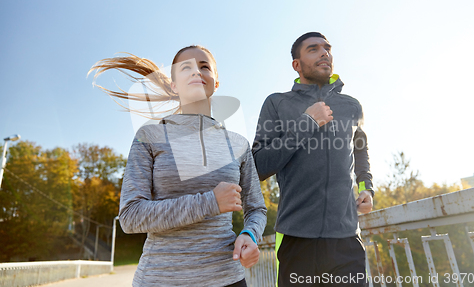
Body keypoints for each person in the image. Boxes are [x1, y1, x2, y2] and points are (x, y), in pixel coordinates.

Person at [88, 45, 267, 287]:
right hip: (160, 279)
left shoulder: (238, 144)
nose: (196, 72)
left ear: (216, 82)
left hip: (228, 279)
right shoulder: (149, 135)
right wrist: (209, 202)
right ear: (174, 85)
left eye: (204, 66)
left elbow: (256, 209)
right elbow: (130, 216)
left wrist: (249, 234)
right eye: (186, 68)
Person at [252, 32, 374, 286]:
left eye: (327, 48)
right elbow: (259, 165)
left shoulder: (352, 106)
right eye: (313, 49)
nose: (324, 53)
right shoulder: (277, 103)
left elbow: (360, 150)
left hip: (347, 239)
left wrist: (366, 188)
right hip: (296, 239)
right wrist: (306, 123)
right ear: (296, 64)